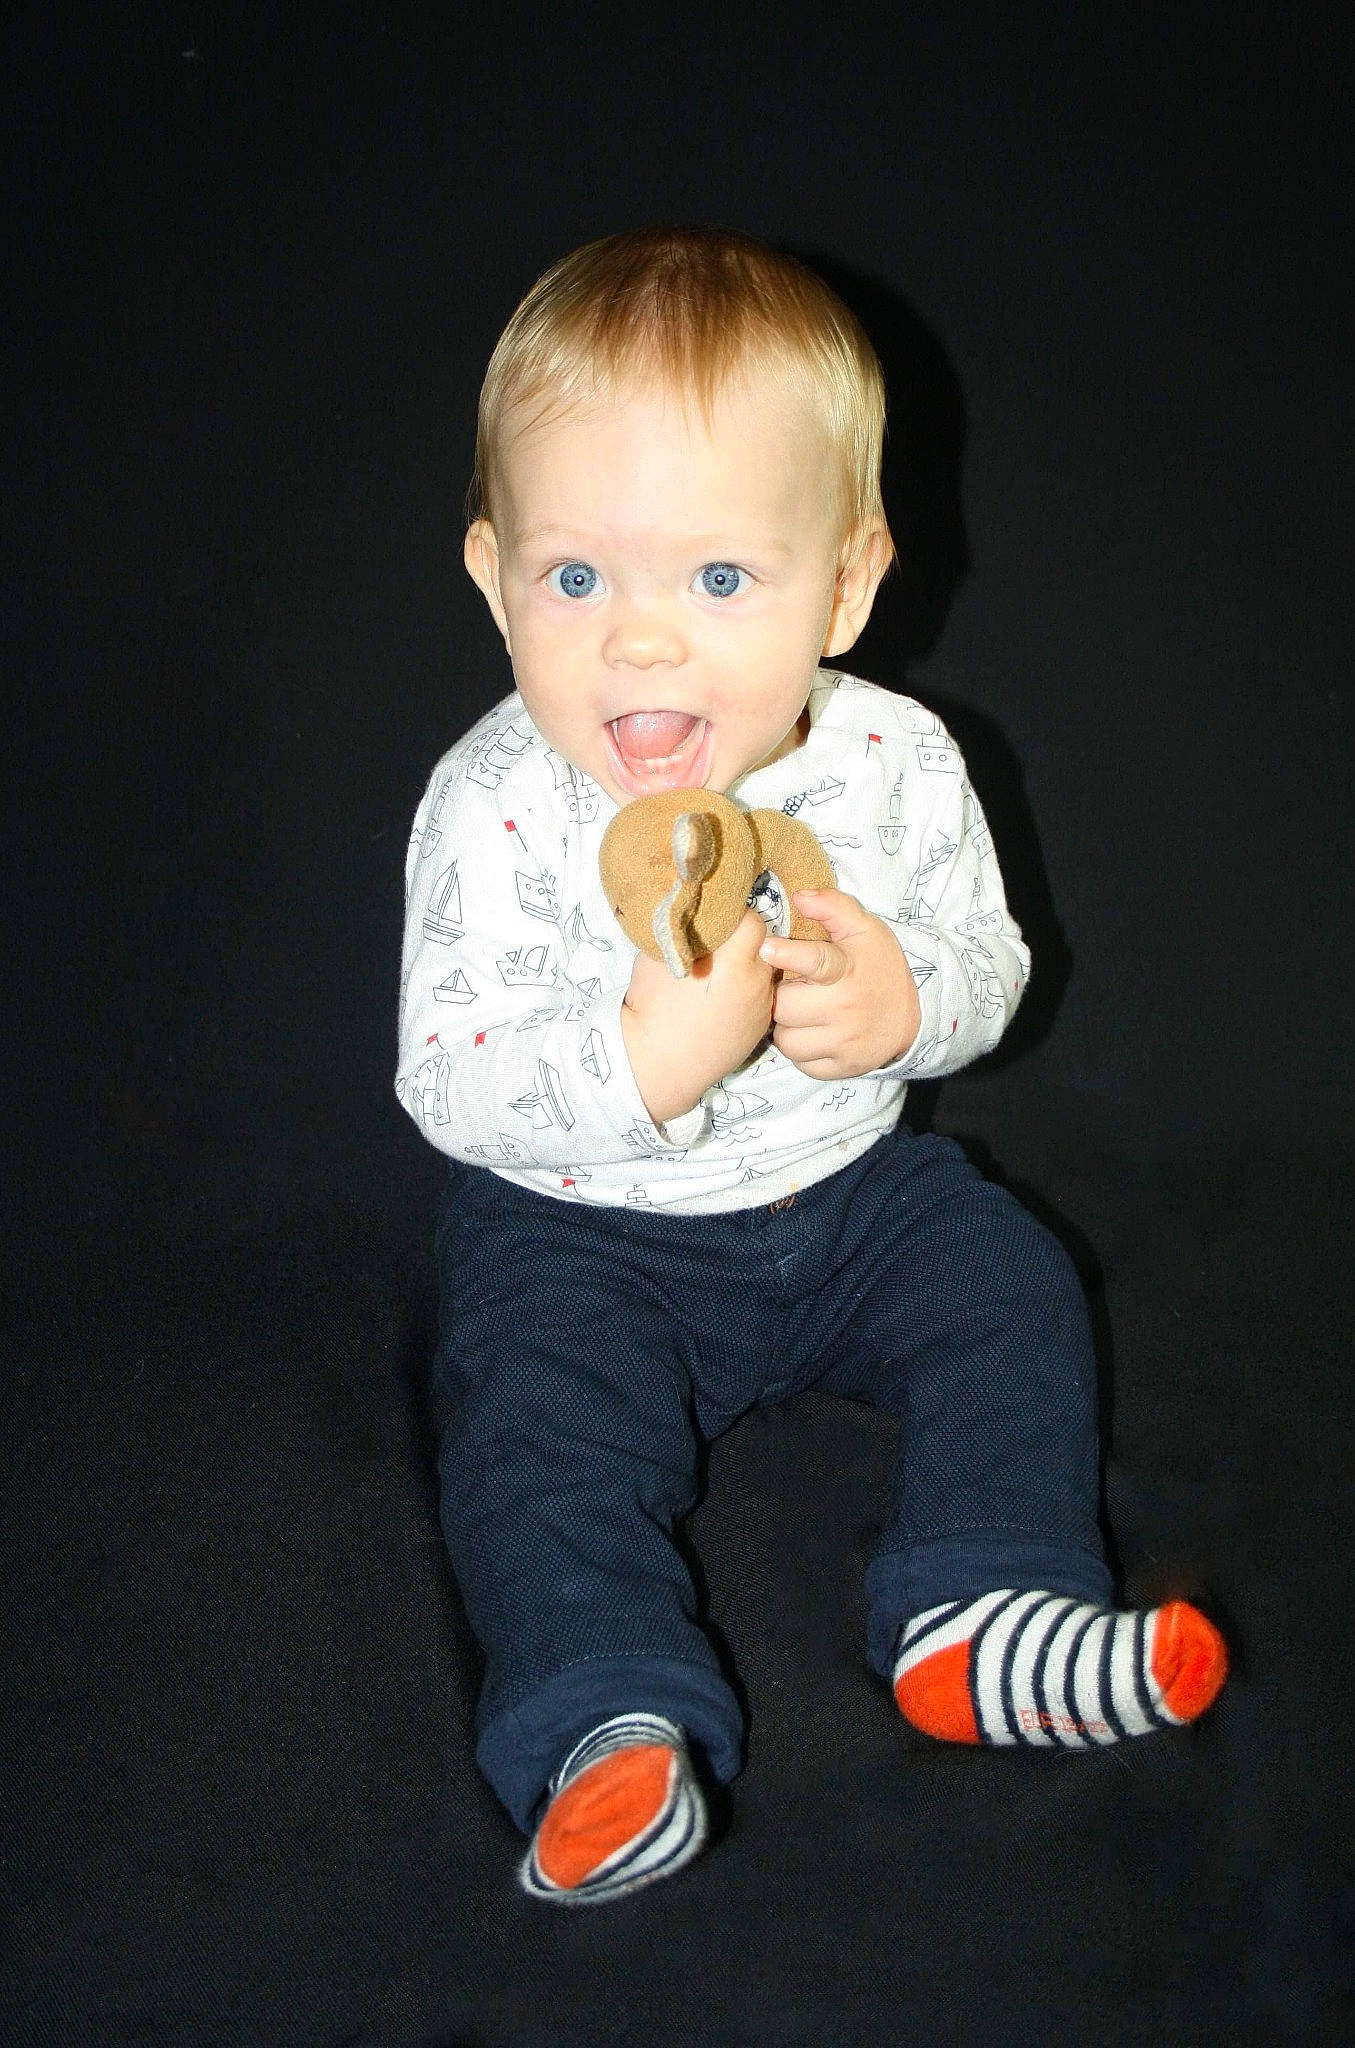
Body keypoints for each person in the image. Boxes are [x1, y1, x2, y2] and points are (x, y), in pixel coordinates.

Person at [395, 226, 1227, 1906]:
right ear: (492, 580)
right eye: (577, 580)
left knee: (1005, 1279)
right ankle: (598, 1714)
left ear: (844, 586)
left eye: (718, 581)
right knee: (526, 1427)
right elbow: (441, 1074)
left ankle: (981, 1601)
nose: (640, 644)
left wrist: (910, 1006)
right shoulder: (490, 805)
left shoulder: (901, 763)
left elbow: (999, 965)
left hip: (849, 1194)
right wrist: (639, 1060)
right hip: (583, 1236)